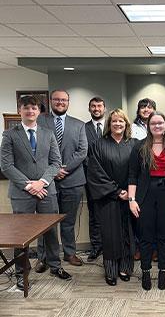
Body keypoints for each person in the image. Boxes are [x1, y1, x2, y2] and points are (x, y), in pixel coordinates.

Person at [0, 95, 72, 290]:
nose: (30, 111)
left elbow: (56, 162)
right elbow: (6, 165)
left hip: (46, 191)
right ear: (20, 111)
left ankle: (55, 267)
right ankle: (21, 274)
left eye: (34, 108)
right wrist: (28, 185)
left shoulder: (48, 134)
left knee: (50, 231)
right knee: (20, 235)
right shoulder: (10, 134)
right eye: (26, 108)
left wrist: (41, 182)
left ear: (39, 112)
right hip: (21, 193)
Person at [128, 111, 165, 291]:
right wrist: (132, 200)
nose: (157, 126)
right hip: (145, 195)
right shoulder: (139, 147)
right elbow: (132, 176)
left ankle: (162, 271)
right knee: (145, 236)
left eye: (160, 123)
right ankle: (145, 271)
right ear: (148, 125)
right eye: (153, 123)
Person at [37, 90, 88, 267]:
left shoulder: (79, 124)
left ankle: (69, 253)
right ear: (51, 101)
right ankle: (43, 257)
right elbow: (36, 151)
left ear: (68, 102)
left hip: (72, 180)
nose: (60, 102)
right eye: (57, 99)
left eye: (64, 100)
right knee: (46, 222)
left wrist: (63, 169)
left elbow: (82, 151)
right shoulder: (40, 121)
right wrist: (53, 171)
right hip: (46, 181)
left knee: (68, 220)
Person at [87, 109, 136, 286]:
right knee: (109, 234)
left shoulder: (133, 144)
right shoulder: (98, 144)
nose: (117, 124)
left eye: (121, 121)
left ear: (126, 124)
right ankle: (110, 270)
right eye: (114, 121)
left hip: (130, 196)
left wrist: (129, 192)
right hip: (107, 197)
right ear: (109, 124)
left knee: (128, 233)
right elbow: (95, 172)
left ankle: (125, 268)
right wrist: (116, 191)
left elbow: (137, 170)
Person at [84, 96, 106, 262]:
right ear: (89, 109)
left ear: (104, 108)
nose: (96, 108)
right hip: (91, 179)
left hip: (113, 177)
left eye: (99, 106)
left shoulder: (113, 125)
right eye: (93, 106)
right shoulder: (82, 128)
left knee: (114, 213)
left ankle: (112, 245)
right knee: (95, 214)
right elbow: (82, 153)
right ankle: (96, 247)